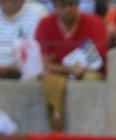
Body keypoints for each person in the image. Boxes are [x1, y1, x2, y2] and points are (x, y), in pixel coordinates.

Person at [35, 0, 108, 130]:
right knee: (44, 77)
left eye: (72, 4)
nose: (68, 9)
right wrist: (69, 69)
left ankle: (89, 124)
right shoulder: (45, 24)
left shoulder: (95, 23)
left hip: (88, 73)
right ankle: (56, 125)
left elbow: (98, 60)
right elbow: (43, 62)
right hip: (58, 74)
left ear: (78, 5)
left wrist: (57, 65)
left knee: (91, 78)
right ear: (55, 6)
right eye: (63, 5)